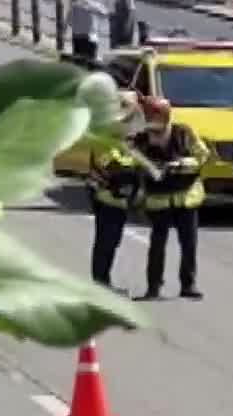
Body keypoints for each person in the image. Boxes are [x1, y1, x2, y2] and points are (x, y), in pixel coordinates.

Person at [131, 96, 209, 301]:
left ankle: (188, 284)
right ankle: (153, 287)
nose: (151, 122)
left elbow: (202, 155)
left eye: (155, 117)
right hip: (159, 199)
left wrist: (182, 164)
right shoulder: (141, 139)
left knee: (189, 243)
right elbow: (134, 161)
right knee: (157, 244)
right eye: (148, 117)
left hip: (186, 197)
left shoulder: (183, 132)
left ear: (165, 117)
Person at [86, 93, 148, 291]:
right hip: (106, 197)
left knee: (112, 242)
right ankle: (100, 283)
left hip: (119, 199)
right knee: (105, 241)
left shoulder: (126, 136)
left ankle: (103, 281)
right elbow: (112, 165)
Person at [69, 0, 105, 64]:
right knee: (90, 60)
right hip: (91, 35)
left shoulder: (75, 5)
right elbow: (104, 14)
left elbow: (70, 22)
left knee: (78, 60)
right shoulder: (96, 5)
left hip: (79, 35)